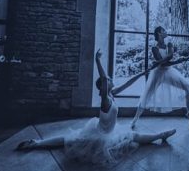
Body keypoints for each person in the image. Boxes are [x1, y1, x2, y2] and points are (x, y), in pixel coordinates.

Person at [16, 49, 175, 165]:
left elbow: (127, 83)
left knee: (134, 135)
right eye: (110, 80)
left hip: (111, 131)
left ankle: (161, 135)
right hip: (100, 135)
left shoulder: (112, 94)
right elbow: (105, 79)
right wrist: (97, 60)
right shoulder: (105, 100)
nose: (112, 80)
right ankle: (36, 143)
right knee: (68, 140)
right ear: (104, 87)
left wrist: (143, 73)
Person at [131, 26, 189, 129]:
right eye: (164, 30)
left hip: (169, 72)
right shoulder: (154, 48)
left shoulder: (169, 44)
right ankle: (135, 119)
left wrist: (158, 62)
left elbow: (169, 57)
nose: (166, 32)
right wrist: (163, 62)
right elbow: (165, 62)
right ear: (159, 33)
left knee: (187, 87)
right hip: (157, 73)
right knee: (146, 96)